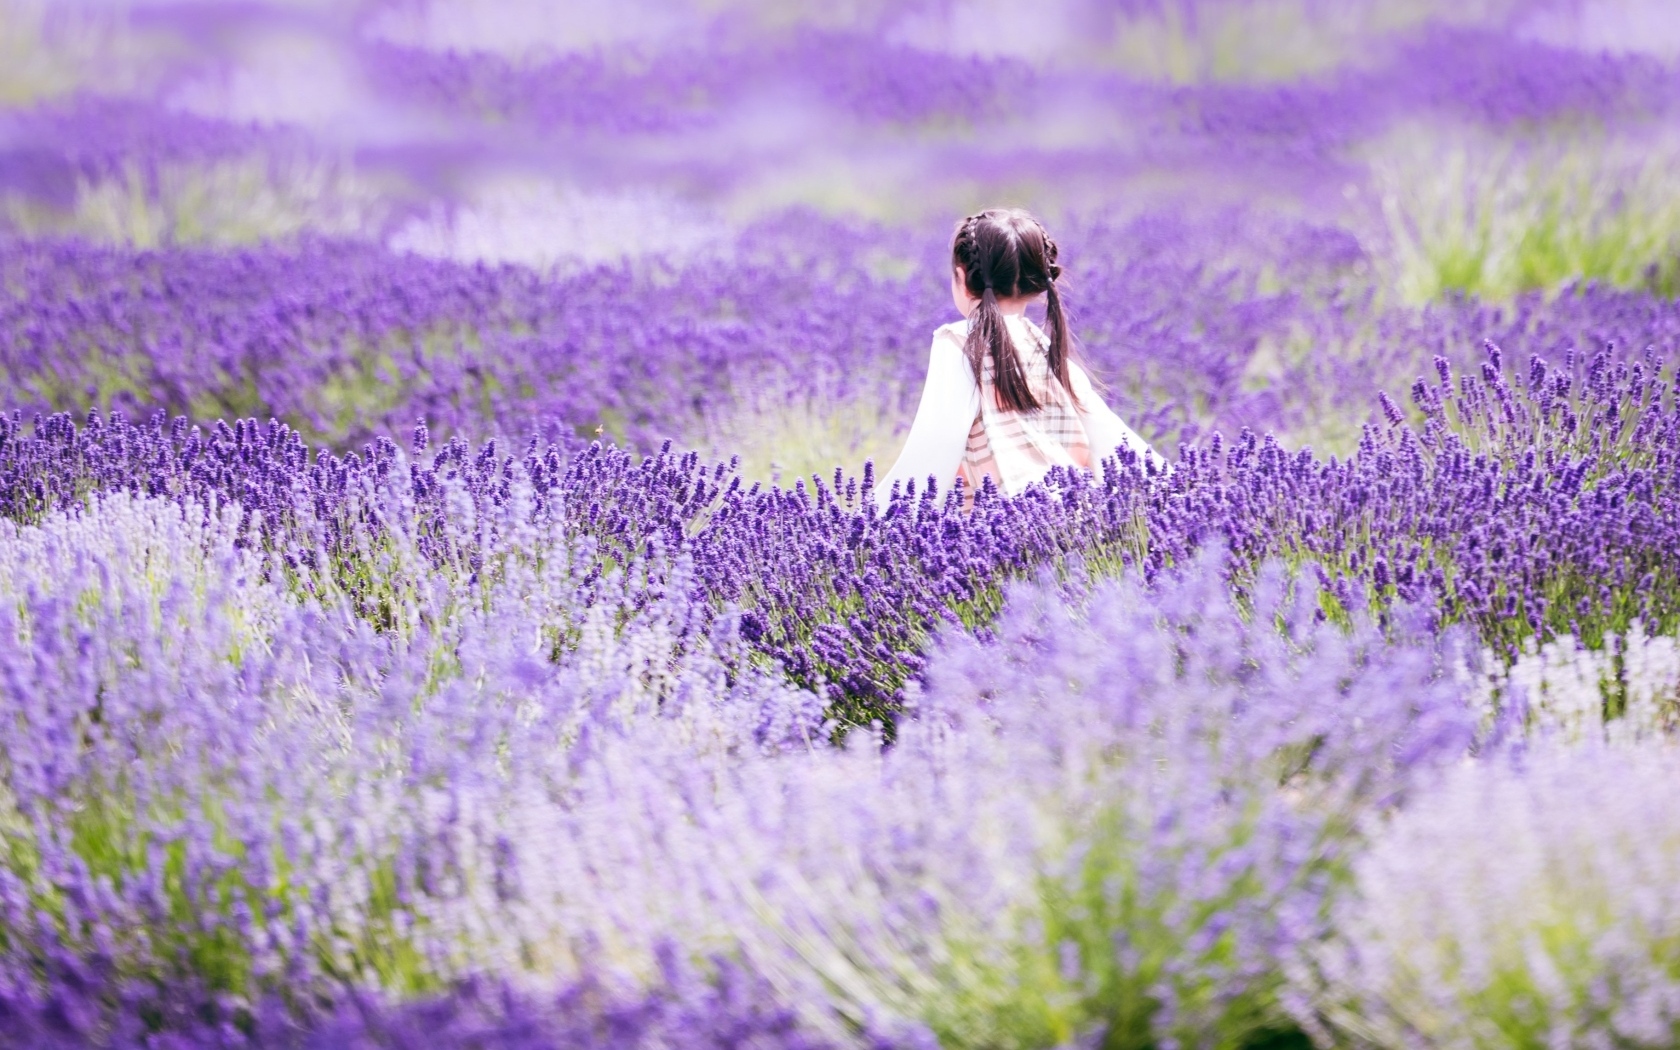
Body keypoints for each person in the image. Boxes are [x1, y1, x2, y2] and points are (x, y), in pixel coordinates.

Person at [875, 208, 1160, 509]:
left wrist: (871, 523)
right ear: (1036, 283)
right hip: (1078, 519)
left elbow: (934, 448)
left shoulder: (959, 343)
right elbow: (1113, 440)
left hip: (1008, 531)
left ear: (961, 277)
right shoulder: (1045, 348)